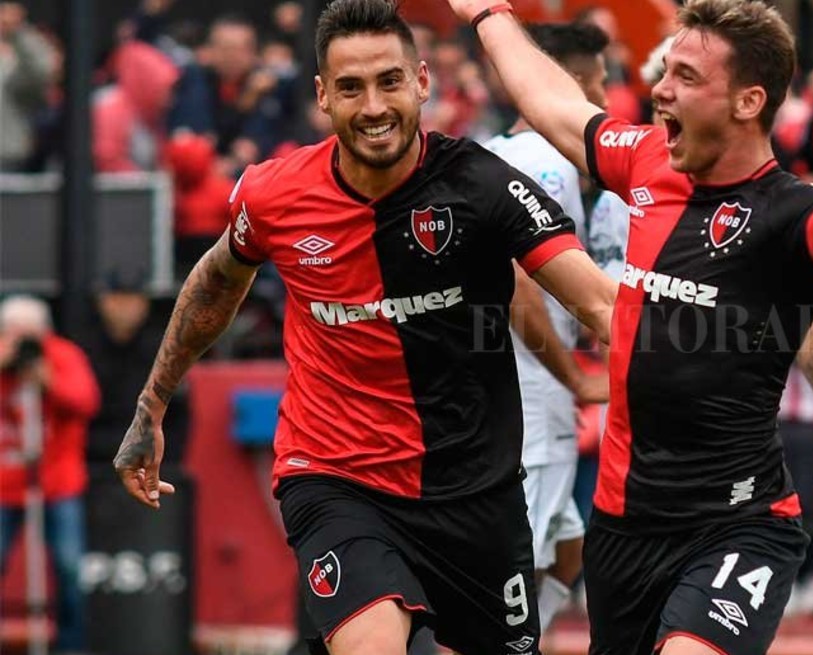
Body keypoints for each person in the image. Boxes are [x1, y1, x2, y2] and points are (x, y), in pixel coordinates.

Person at [450, 1, 813, 653]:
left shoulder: (790, 214)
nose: (660, 89)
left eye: (685, 76)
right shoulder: (647, 160)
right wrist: (489, 13)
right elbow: (552, 103)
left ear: (748, 101)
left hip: (737, 523)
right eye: (666, 71)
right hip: (624, 523)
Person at [111, 2, 616, 654]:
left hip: (476, 489)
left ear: (422, 82)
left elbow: (600, 304)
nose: (374, 107)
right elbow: (215, 282)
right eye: (351, 87)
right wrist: (151, 403)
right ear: (323, 96)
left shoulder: (486, 185)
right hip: (338, 477)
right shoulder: (274, 194)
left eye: (389, 81)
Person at [483, 20, 617, 635]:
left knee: (567, 545)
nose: (606, 99)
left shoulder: (492, 152)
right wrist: (576, 380)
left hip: (501, 383)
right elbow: (518, 283)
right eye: (599, 83)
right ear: (570, 83)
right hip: (531, 390)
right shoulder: (549, 162)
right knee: (519, 570)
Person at [0, 295, 101, 654]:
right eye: (15, 333)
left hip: (57, 482)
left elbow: (86, 401)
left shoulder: (64, 356)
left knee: (70, 568)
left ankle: (71, 647)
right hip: (5, 484)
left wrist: (48, 381)